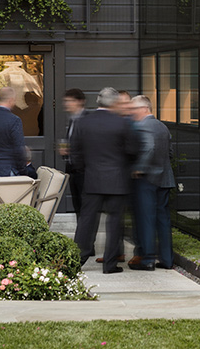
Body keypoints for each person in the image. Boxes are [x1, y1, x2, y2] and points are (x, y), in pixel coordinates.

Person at [72, 87, 133, 274]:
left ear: (98, 102)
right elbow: (132, 151)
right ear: (115, 103)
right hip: (117, 180)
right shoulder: (122, 123)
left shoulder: (83, 123)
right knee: (114, 222)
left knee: (87, 221)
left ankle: (76, 260)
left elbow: (75, 153)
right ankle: (110, 264)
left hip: (92, 179)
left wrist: (86, 169)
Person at [128, 95, 176, 271]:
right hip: (165, 179)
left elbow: (149, 147)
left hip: (147, 179)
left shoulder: (143, 126)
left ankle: (147, 259)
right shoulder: (162, 127)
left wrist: (139, 168)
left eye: (134, 109)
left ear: (144, 109)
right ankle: (167, 259)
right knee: (163, 220)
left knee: (146, 219)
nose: (132, 113)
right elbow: (170, 153)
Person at [61, 88, 87, 218]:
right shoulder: (72, 120)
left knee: (84, 206)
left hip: (83, 171)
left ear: (79, 102)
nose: (67, 104)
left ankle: (85, 236)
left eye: (70, 101)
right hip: (72, 169)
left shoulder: (87, 120)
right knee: (77, 205)